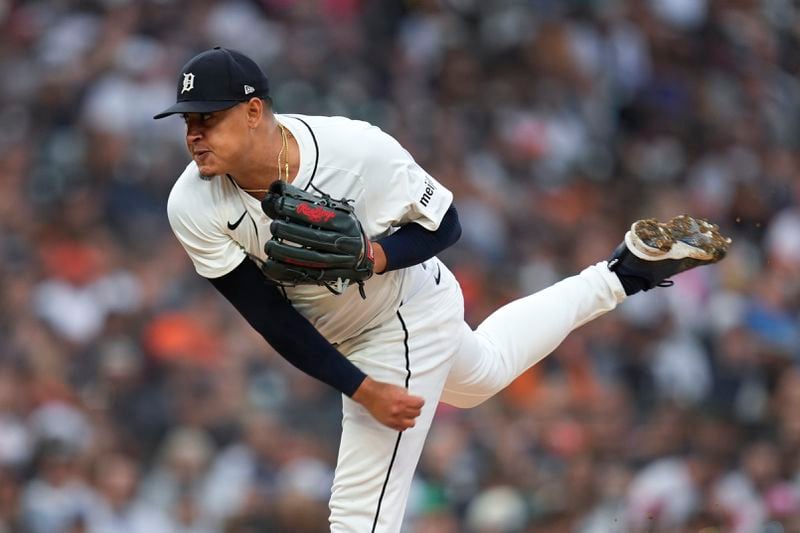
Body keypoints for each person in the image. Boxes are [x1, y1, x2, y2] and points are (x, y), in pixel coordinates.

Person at [154, 47, 730, 532]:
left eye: (208, 118)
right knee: (483, 374)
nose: (194, 134)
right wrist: (357, 385)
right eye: (187, 122)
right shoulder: (193, 203)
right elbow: (268, 316)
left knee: (358, 519)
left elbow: (446, 223)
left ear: (254, 112)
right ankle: (626, 271)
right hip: (351, 338)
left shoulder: (356, 151)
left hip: (401, 314)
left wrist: (375, 256)